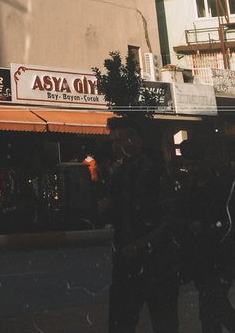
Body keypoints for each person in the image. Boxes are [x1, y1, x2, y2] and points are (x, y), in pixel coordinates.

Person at [99, 116, 181, 333]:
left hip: (158, 266)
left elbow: (171, 220)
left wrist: (142, 244)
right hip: (126, 266)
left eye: (121, 141)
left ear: (137, 141)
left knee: (165, 324)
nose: (116, 147)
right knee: (120, 324)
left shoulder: (155, 173)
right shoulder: (116, 174)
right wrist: (105, 209)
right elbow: (116, 217)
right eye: (113, 142)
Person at [178, 139, 235, 332]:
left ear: (204, 161)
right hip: (202, 259)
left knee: (211, 308)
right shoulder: (189, 189)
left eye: (194, 164)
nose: (190, 169)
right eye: (187, 165)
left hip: (219, 258)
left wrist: (207, 228)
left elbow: (231, 222)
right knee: (216, 306)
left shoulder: (223, 186)